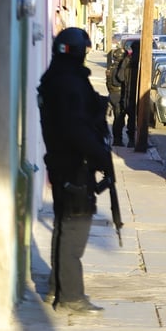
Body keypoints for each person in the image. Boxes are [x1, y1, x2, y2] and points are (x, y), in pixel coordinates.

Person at [37, 27, 112, 314]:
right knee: (74, 230)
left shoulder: (55, 79)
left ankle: (58, 287)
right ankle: (70, 297)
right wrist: (101, 157)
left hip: (60, 163)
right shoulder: (70, 84)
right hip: (74, 165)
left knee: (63, 225)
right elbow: (75, 128)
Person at [112, 39, 140, 147]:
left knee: (121, 118)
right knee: (133, 119)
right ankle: (132, 141)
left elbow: (120, 77)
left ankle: (125, 141)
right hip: (136, 96)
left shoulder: (127, 60)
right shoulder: (142, 62)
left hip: (127, 95)